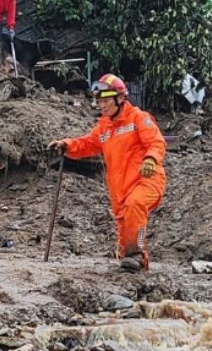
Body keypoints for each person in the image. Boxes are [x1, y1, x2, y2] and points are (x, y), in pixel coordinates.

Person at [47, 74, 167, 272]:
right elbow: (88, 144)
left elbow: (156, 142)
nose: (101, 106)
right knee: (123, 226)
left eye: (105, 101)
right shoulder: (104, 126)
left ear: (119, 99)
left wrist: (151, 159)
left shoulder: (138, 118)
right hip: (120, 187)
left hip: (146, 180)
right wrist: (67, 144)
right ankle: (134, 272)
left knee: (135, 205)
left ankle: (136, 255)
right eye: (99, 102)